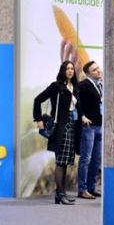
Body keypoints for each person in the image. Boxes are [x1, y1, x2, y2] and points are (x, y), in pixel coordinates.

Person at [33, 61, 81, 205]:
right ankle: (59, 194)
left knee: (65, 162)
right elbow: (38, 100)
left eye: (72, 68)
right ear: (62, 71)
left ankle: (61, 193)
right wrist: (38, 119)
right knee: (60, 161)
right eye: (67, 68)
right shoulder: (56, 86)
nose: (70, 71)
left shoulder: (75, 87)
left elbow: (77, 108)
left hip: (71, 126)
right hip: (60, 127)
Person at [77, 60, 103, 200]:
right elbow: (77, 103)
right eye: (94, 70)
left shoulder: (100, 85)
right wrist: (82, 116)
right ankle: (82, 189)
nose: (98, 71)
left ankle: (91, 188)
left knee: (96, 159)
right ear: (87, 74)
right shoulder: (83, 85)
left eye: (98, 68)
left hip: (99, 126)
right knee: (86, 158)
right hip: (88, 127)